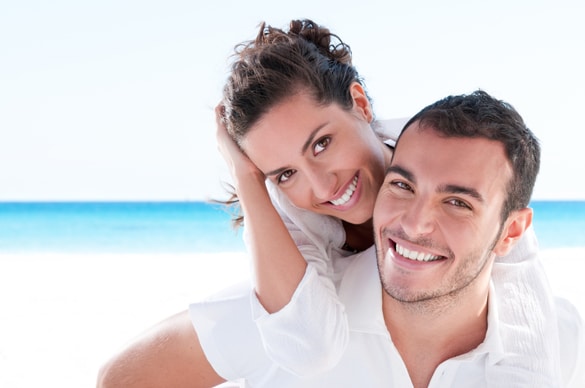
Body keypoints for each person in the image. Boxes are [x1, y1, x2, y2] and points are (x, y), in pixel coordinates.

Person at [96, 21, 562, 387]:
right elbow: (307, 347)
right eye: (284, 173)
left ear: (359, 103)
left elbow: (523, 304)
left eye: (321, 144)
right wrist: (249, 178)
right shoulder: (291, 213)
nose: (321, 187)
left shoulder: (442, 156)